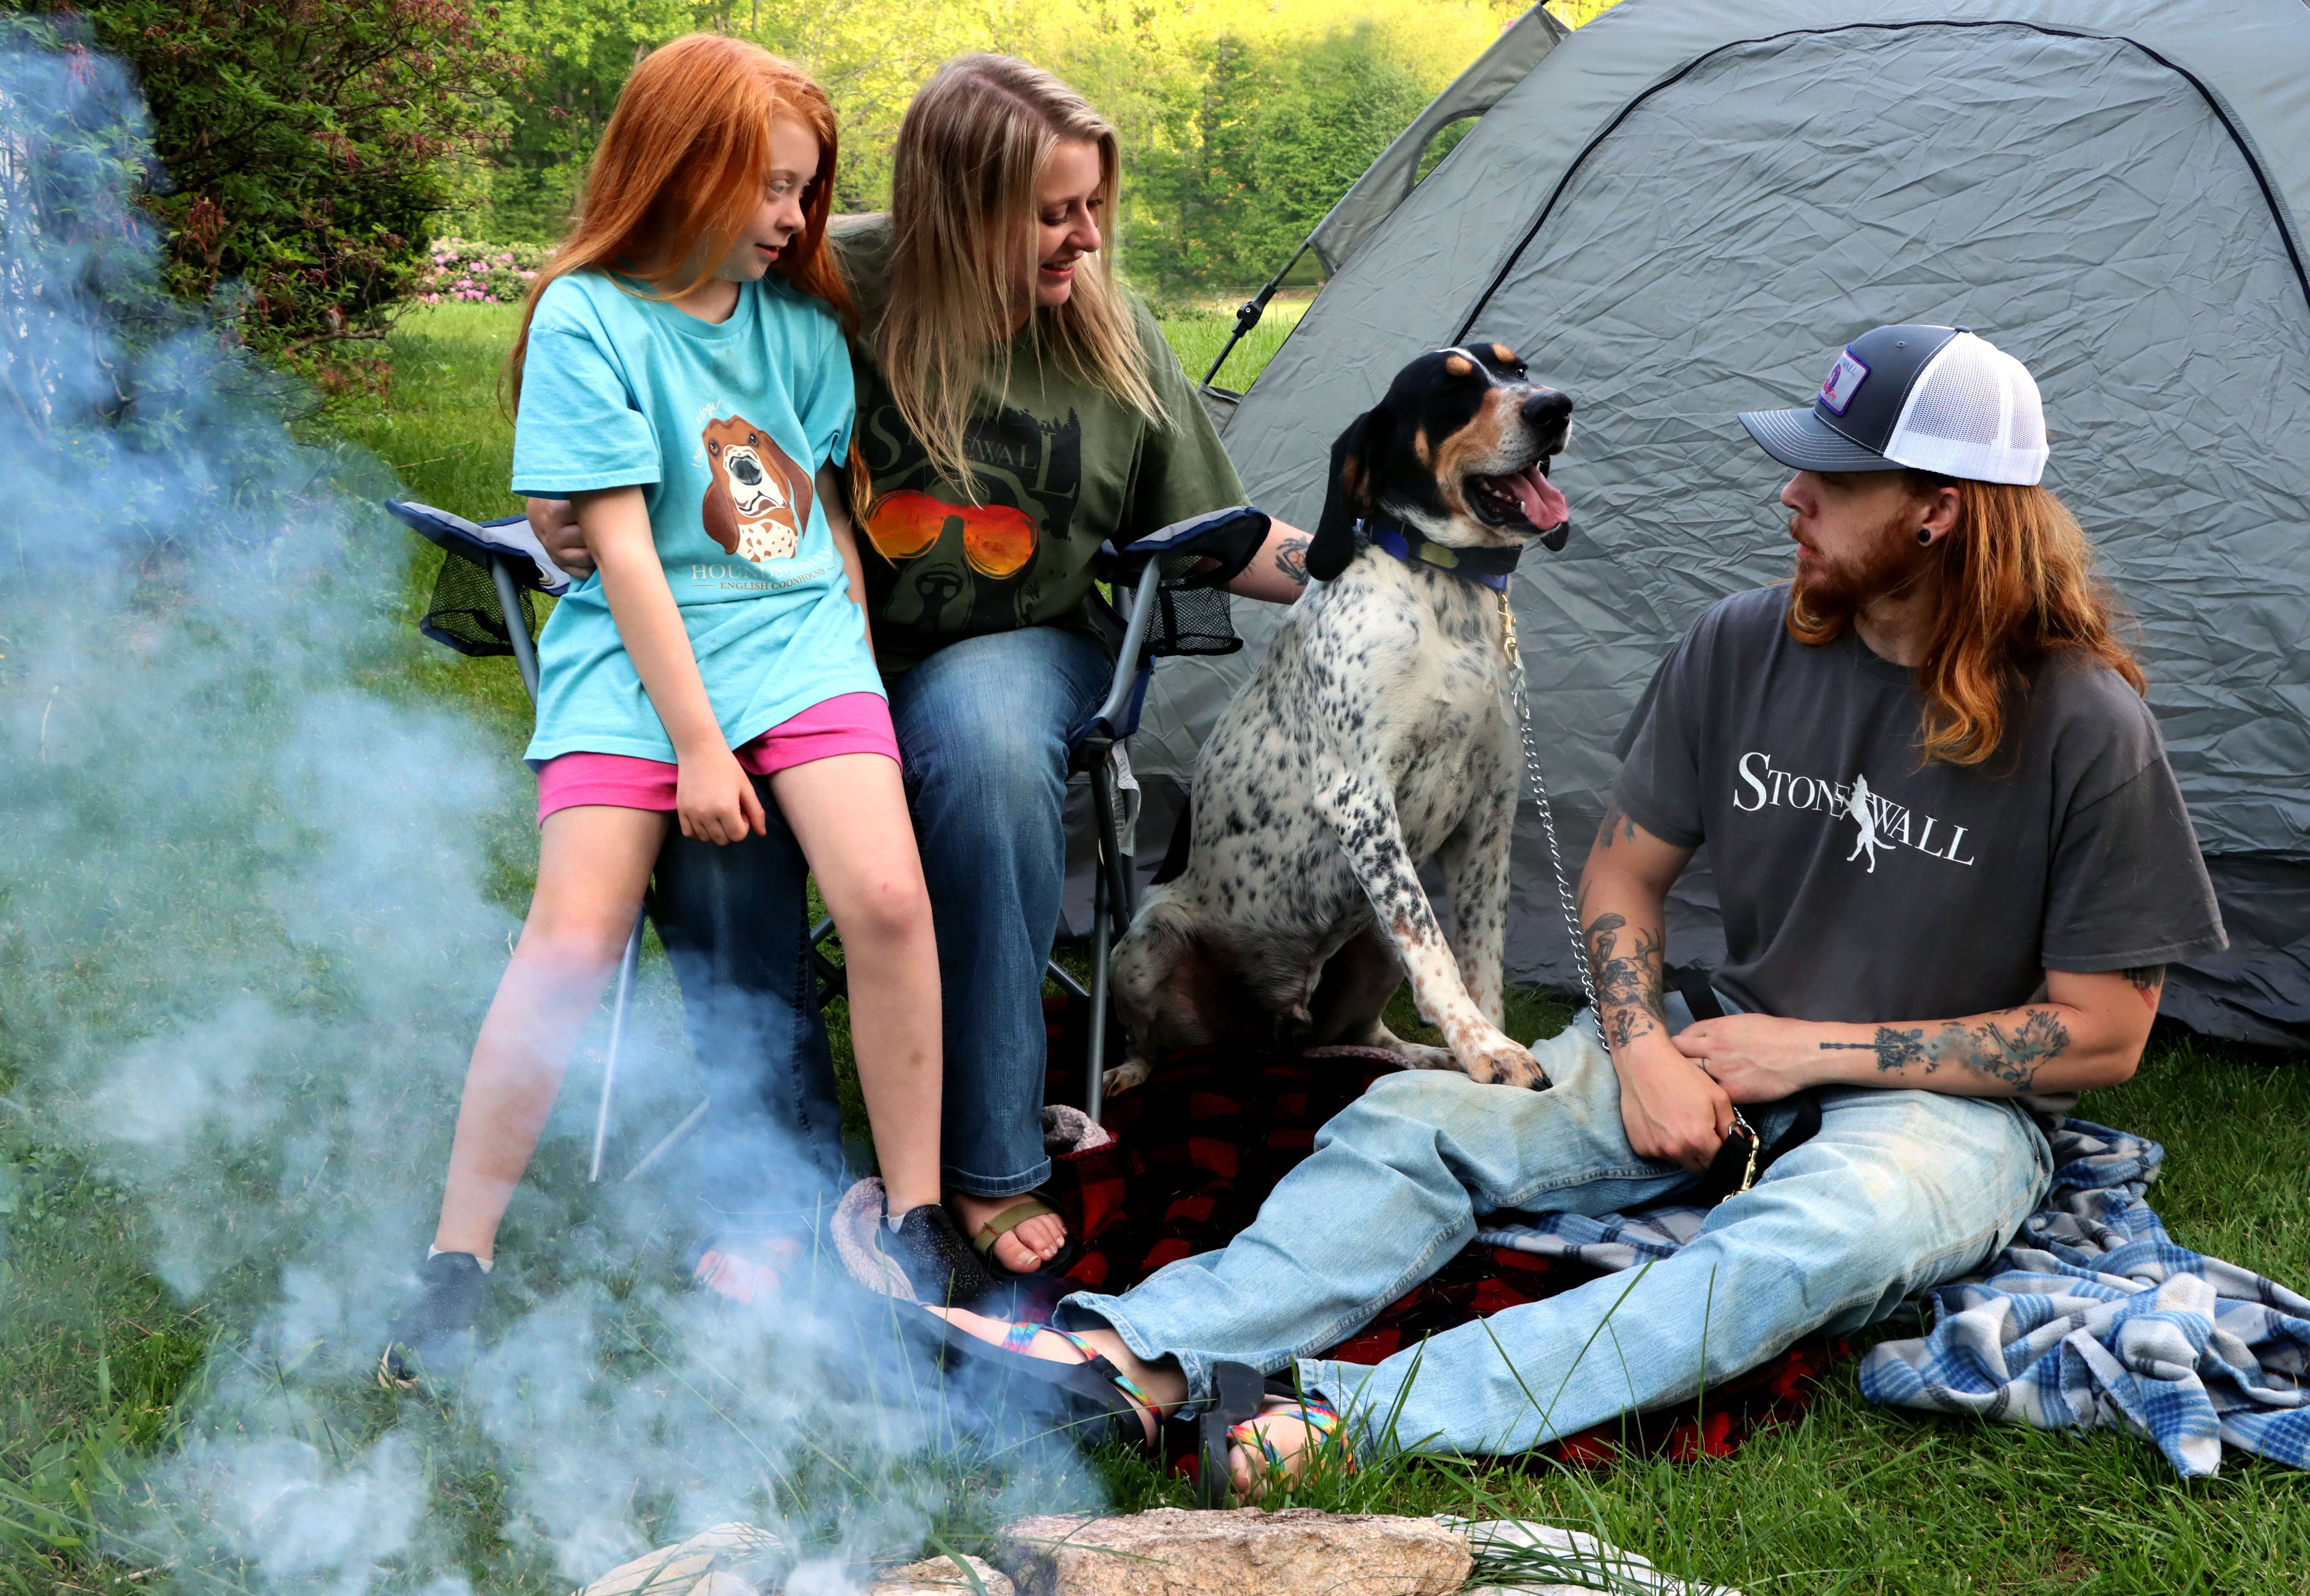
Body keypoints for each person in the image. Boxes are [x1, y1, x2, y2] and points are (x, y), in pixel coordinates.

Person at [925, 322, 2229, 1496]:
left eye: (1829, 481)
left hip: (1949, 1115)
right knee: (1409, 1116)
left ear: (1938, 512)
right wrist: (1643, 1043)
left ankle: (1341, 1421)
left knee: (1794, 1251)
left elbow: (2103, 1033)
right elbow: (1622, 874)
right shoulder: (1741, 642)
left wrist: (1813, 1053)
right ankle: (1138, 1351)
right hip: (1714, 1042)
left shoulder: (2084, 724)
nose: (1789, 496)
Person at [535, 54, 1313, 1297]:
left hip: (1021, 639)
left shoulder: (1110, 331)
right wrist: (568, 519)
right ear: (957, 208)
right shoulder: (828, 283)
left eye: (1095, 204)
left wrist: (1372, 562)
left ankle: (989, 1161)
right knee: (721, 801)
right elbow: (644, 355)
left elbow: (1219, 530)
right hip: (796, 645)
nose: (1086, 237)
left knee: (986, 738)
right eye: (1054, 213)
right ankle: (775, 1174)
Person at [384, 35, 987, 1379]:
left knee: (887, 898)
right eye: (770, 188)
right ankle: (458, 1253)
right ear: (683, 168)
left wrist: (848, 663)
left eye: (804, 193)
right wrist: (701, 748)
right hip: (637, 659)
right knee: (572, 941)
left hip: (796, 645)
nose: (791, 220)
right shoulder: (589, 319)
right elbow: (625, 550)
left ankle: (914, 1213)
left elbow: (825, 515)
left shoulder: (799, 328)